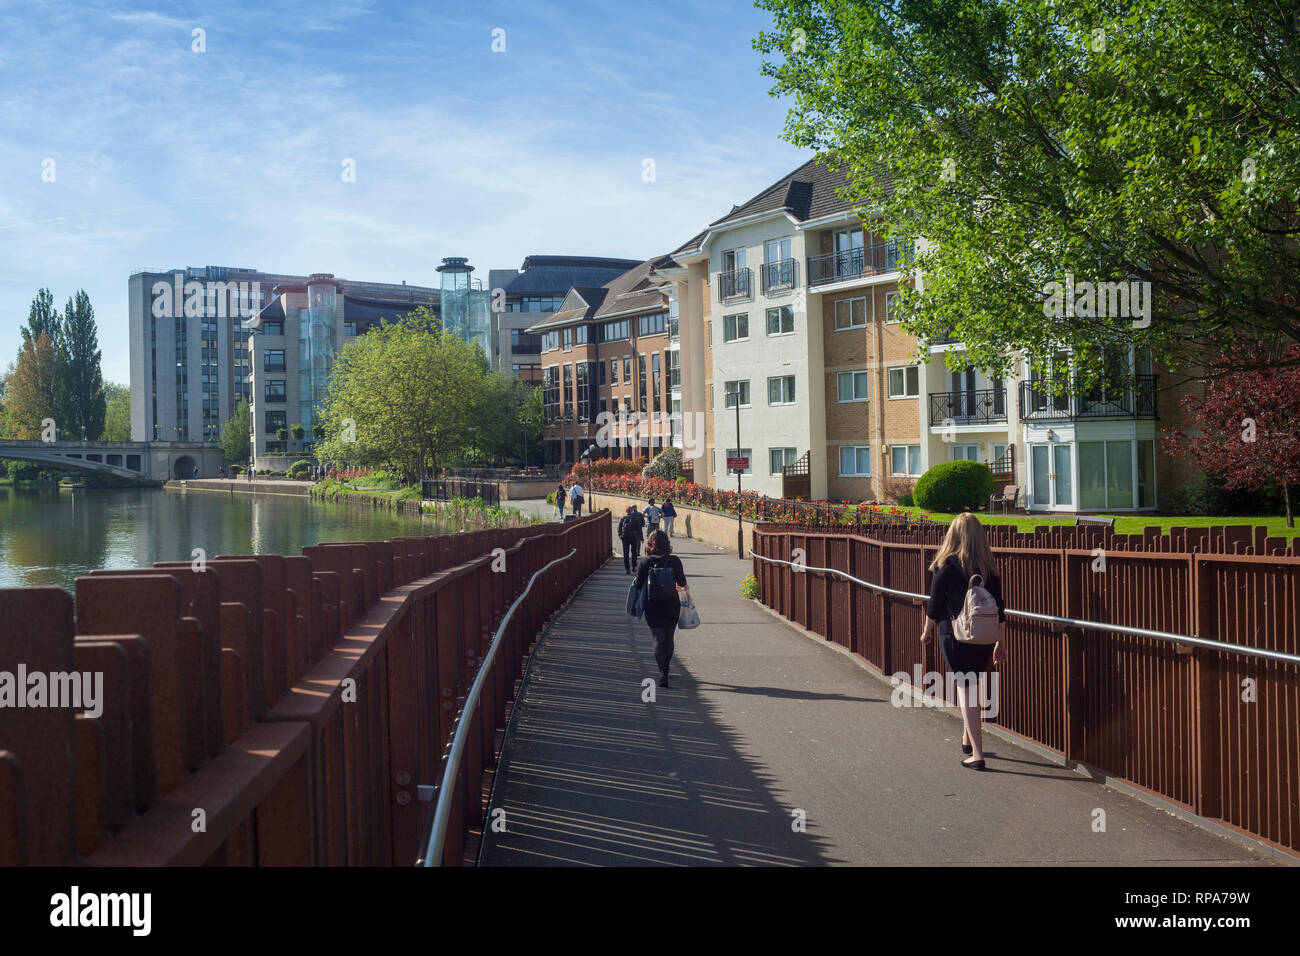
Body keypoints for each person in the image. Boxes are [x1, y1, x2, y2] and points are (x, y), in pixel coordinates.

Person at [919, 513, 1008, 771]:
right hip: (983, 636)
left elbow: (934, 604)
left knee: (965, 689)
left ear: (953, 534)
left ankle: (977, 755)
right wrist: (999, 643)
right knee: (973, 687)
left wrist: (926, 631)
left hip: (954, 634)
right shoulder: (988, 567)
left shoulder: (946, 564)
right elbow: (1000, 609)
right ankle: (967, 740)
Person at [633, 530, 687, 688]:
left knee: (658, 638)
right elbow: (682, 582)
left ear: (650, 544)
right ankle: (666, 668)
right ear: (667, 544)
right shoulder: (675, 561)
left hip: (653, 605)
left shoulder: (645, 562)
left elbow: (638, 585)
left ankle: (662, 673)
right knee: (669, 637)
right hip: (671, 604)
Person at [617, 504, 645, 574]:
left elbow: (619, 529)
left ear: (626, 511)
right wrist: (641, 538)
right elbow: (639, 529)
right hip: (633, 537)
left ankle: (627, 568)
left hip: (625, 538)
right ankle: (634, 567)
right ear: (632, 511)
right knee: (634, 552)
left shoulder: (623, 518)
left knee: (626, 553)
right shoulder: (635, 518)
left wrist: (620, 535)